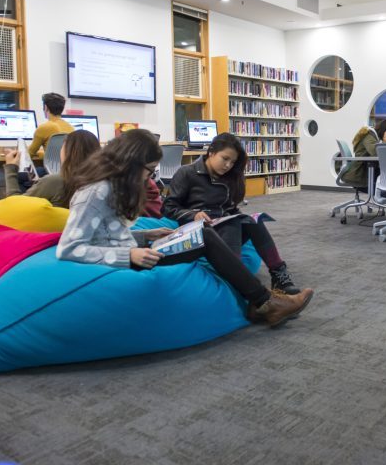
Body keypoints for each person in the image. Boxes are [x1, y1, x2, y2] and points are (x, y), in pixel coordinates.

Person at [57, 129, 313, 327]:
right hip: (130, 260)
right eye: (149, 171)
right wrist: (130, 255)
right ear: (131, 163)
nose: (150, 178)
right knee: (203, 235)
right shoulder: (94, 193)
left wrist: (145, 236)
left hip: (137, 250)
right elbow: (68, 249)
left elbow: (106, 235)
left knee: (212, 231)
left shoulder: (109, 186)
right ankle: (264, 303)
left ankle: (266, 296)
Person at [163, 132, 304, 295]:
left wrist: (240, 216)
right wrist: (193, 215)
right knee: (231, 223)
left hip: (223, 228)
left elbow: (230, 208)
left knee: (253, 221)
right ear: (212, 152)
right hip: (198, 232)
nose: (228, 165)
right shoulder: (187, 172)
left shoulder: (230, 177)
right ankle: (236, 280)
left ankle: (279, 275)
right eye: (225, 159)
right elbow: (168, 207)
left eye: (232, 162)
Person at [0, 129, 100, 207]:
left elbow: (13, 206)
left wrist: (10, 167)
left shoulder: (55, 181)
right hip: (68, 230)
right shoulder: (102, 184)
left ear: (67, 152)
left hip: (42, 232)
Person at [341, 119, 386, 188]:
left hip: (366, 170)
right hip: (361, 173)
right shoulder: (369, 136)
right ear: (384, 131)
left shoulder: (374, 137)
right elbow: (376, 153)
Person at [28, 93, 75, 158]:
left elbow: (29, 154)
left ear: (46, 107)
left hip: (50, 168)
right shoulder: (71, 128)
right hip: (67, 167)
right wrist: (41, 154)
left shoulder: (44, 128)